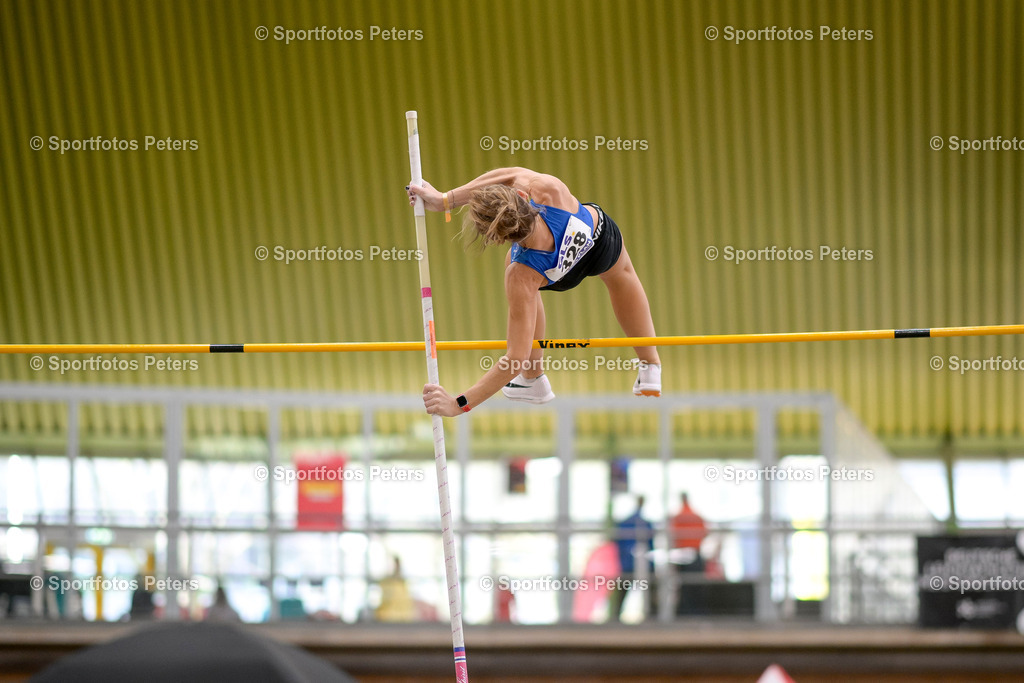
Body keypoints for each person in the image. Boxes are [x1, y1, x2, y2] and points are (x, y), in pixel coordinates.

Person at [409, 167, 661, 417]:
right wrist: (445, 200)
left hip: (554, 273)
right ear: (520, 194)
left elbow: (515, 358)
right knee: (622, 276)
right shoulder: (550, 191)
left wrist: (458, 404)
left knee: (515, 265)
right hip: (599, 242)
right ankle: (650, 366)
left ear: (495, 237)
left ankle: (533, 378)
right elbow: (509, 173)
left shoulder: (521, 275)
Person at [610, 495, 655, 621]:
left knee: (623, 590)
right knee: (647, 588)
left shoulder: (625, 523)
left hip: (627, 563)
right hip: (636, 563)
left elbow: (618, 544)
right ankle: (651, 615)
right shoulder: (644, 523)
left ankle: (615, 616)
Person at [670, 493, 708, 615]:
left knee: (684, 585)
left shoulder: (678, 517)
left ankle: (684, 611)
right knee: (696, 585)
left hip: (682, 553)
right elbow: (704, 532)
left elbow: (673, 536)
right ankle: (697, 611)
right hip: (695, 553)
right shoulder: (696, 516)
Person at [375, 556, 415, 622]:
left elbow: (407, 604)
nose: (396, 567)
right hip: (388, 617)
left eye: (397, 565)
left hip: (402, 617)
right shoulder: (387, 582)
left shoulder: (403, 583)